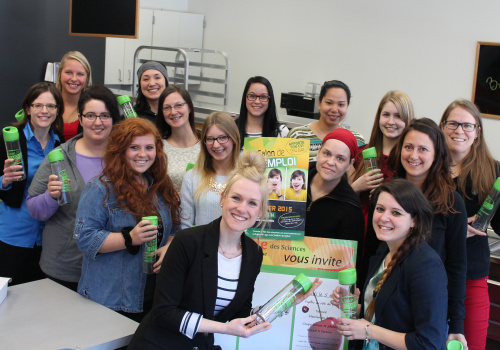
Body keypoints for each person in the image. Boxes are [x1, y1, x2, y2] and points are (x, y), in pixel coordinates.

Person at [128, 151, 321, 350]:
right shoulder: (188, 242)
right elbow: (164, 312)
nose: (242, 208)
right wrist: (225, 328)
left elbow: (239, 316)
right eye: (236, 198)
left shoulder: (253, 254)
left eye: (252, 203)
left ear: (261, 211)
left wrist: (285, 303)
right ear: (223, 198)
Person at [74, 118, 180, 322]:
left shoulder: (159, 186)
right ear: (120, 150)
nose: (143, 154)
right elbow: (85, 238)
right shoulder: (99, 189)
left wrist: (169, 246)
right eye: (134, 147)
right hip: (110, 298)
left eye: (149, 147)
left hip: (152, 296)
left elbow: (175, 227)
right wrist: (129, 238)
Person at [333, 179, 448, 350]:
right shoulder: (383, 252)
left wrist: (367, 331)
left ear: (414, 221)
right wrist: (354, 308)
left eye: (396, 213)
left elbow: (429, 342)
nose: (383, 218)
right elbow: (388, 314)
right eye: (380, 209)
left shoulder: (426, 265)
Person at [27, 85, 121, 291]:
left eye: (105, 115)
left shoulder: (126, 159)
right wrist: (50, 197)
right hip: (63, 267)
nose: (97, 122)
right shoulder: (60, 156)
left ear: (114, 119)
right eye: (90, 115)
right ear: (80, 118)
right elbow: (34, 208)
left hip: (110, 267)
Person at [388, 118, 468, 348]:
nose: (413, 156)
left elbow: (456, 267)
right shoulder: (387, 194)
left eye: (423, 149)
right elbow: (374, 255)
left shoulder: (452, 203)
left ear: (436, 155)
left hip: (428, 311)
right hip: (386, 305)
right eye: (409, 147)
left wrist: (457, 326)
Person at [440, 99, 499, 350]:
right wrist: (453, 231)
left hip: (471, 277)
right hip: (432, 273)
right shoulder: (429, 167)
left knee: (471, 345)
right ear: (442, 127)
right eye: (453, 123)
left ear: (477, 132)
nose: (459, 130)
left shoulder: (493, 172)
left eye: (467, 125)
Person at [0, 82, 64, 285]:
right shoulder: (10, 139)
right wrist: (4, 180)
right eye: (38, 105)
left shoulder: (60, 143)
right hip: (14, 235)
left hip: (47, 237)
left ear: (58, 110)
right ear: (27, 109)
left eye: (51, 106)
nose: (44, 111)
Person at [349, 91, 414, 233]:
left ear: (407, 120)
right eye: (386, 115)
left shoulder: (411, 161)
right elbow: (342, 201)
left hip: (391, 233)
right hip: (357, 230)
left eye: (398, 116)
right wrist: (356, 187)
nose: (391, 122)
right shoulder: (360, 154)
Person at [306, 128, 364, 273]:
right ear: (318, 152)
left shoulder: (351, 208)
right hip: (275, 268)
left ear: (350, 164)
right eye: (327, 153)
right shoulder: (292, 178)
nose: (331, 162)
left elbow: (348, 264)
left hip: (319, 280)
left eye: (340, 158)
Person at [179, 111, 240, 229]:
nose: (216, 145)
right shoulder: (192, 178)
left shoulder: (246, 177)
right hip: (201, 246)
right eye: (210, 139)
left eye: (222, 138)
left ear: (234, 138)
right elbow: (184, 227)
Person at [287, 80, 365, 163]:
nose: (334, 110)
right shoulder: (298, 135)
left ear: (347, 106)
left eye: (341, 104)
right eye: (329, 103)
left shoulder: (357, 140)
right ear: (319, 103)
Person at [157, 85, 200, 191]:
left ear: (189, 107)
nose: (173, 112)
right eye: (167, 108)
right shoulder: (158, 147)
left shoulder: (208, 146)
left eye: (179, 105)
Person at [237, 76, 288, 146]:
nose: (257, 101)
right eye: (252, 96)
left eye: (263, 97)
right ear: (245, 98)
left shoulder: (281, 132)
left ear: (270, 101)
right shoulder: (231, 129)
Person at [55, 51, 92, 141]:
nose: (74, 79)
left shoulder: (91, 109)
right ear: (60, 74)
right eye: (68, 72)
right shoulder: (48, 105)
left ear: (87, 78)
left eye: (80, 74)